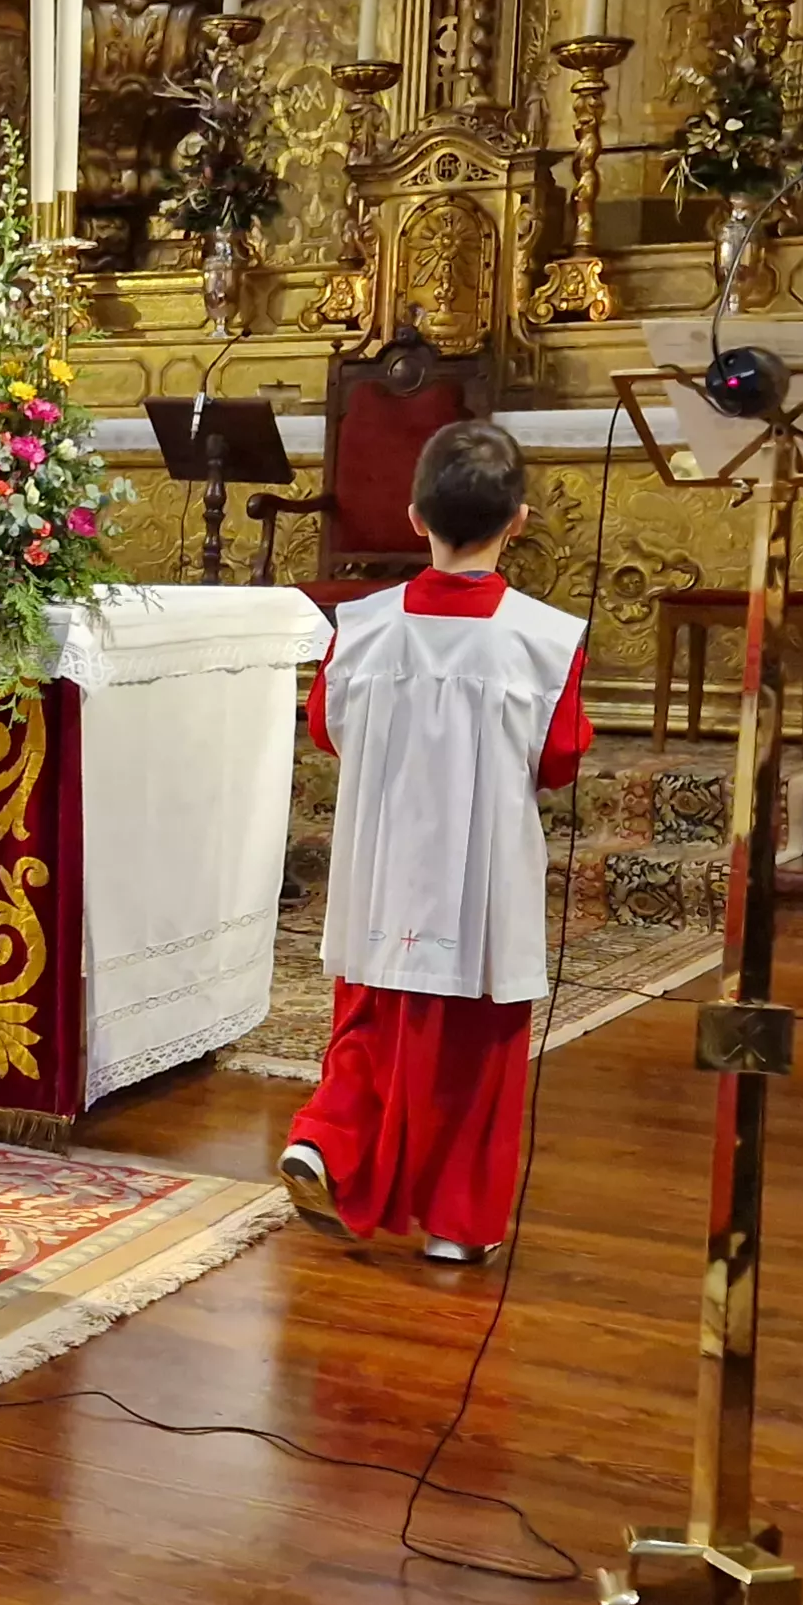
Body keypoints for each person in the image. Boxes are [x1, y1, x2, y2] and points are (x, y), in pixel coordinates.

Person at [275, 420, 590, 1264]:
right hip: (482, 876)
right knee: (478, 1047)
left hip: (382, 862)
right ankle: (456, 1226)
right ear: (519, 519)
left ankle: (329, 1143)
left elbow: (328, 729)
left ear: (415, 517)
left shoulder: (364, 625)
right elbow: (560, 756)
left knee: (373, 1018)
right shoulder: (547, 638)